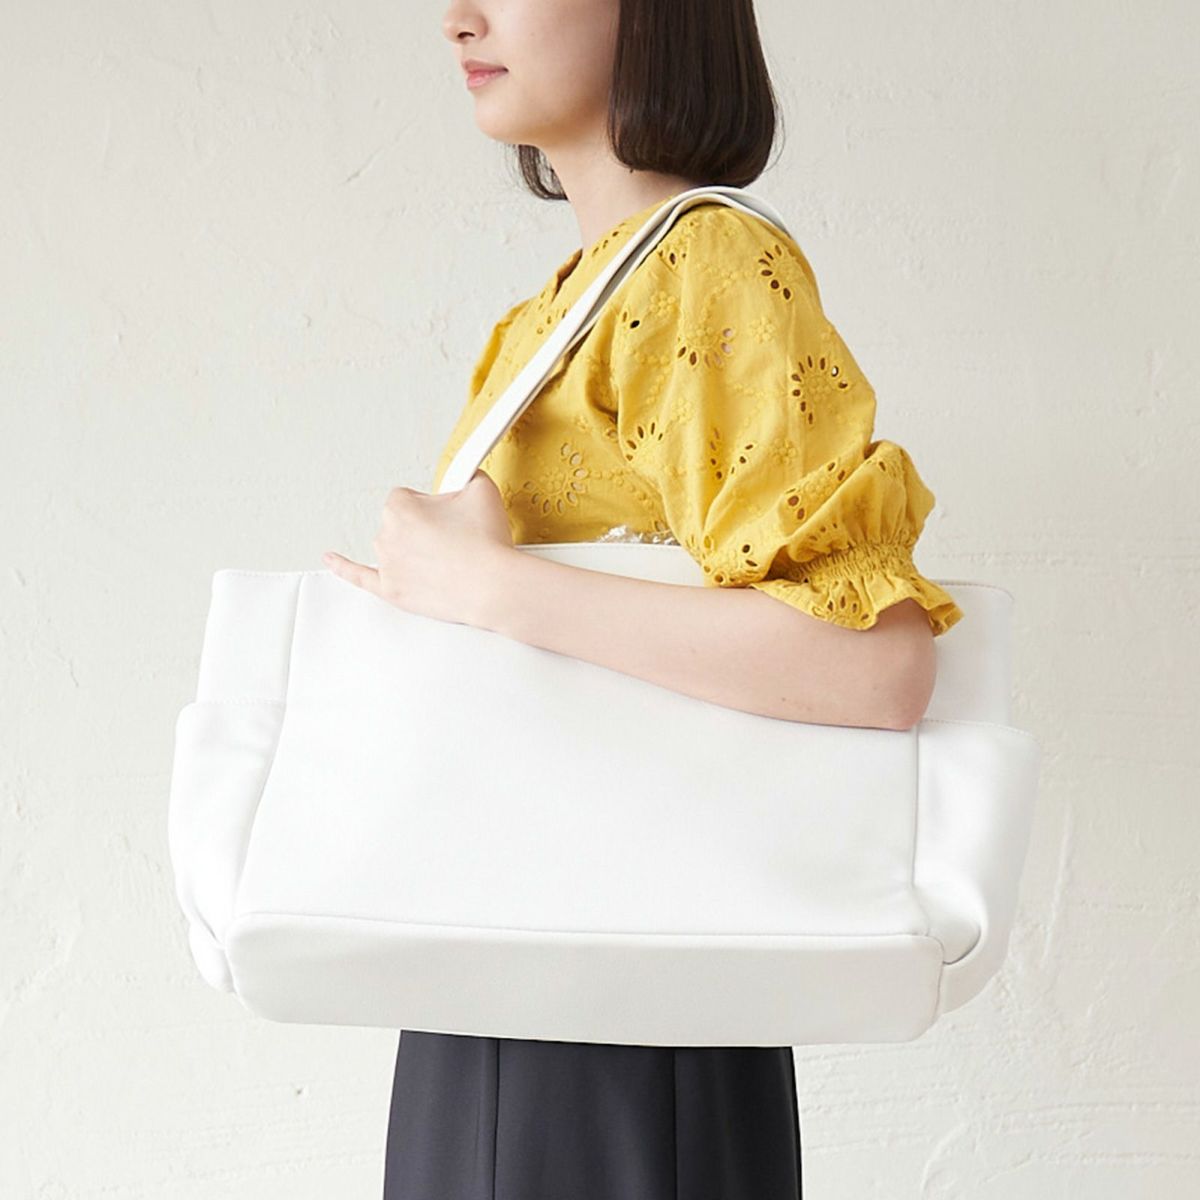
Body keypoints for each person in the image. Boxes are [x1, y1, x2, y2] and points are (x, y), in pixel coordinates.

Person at [323, 1, 965, 1197]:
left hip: (620, 1014)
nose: (458, 18)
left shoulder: (706, 269)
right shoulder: (556, 315)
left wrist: (489, 587)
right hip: (506, 969)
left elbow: (877, 663)